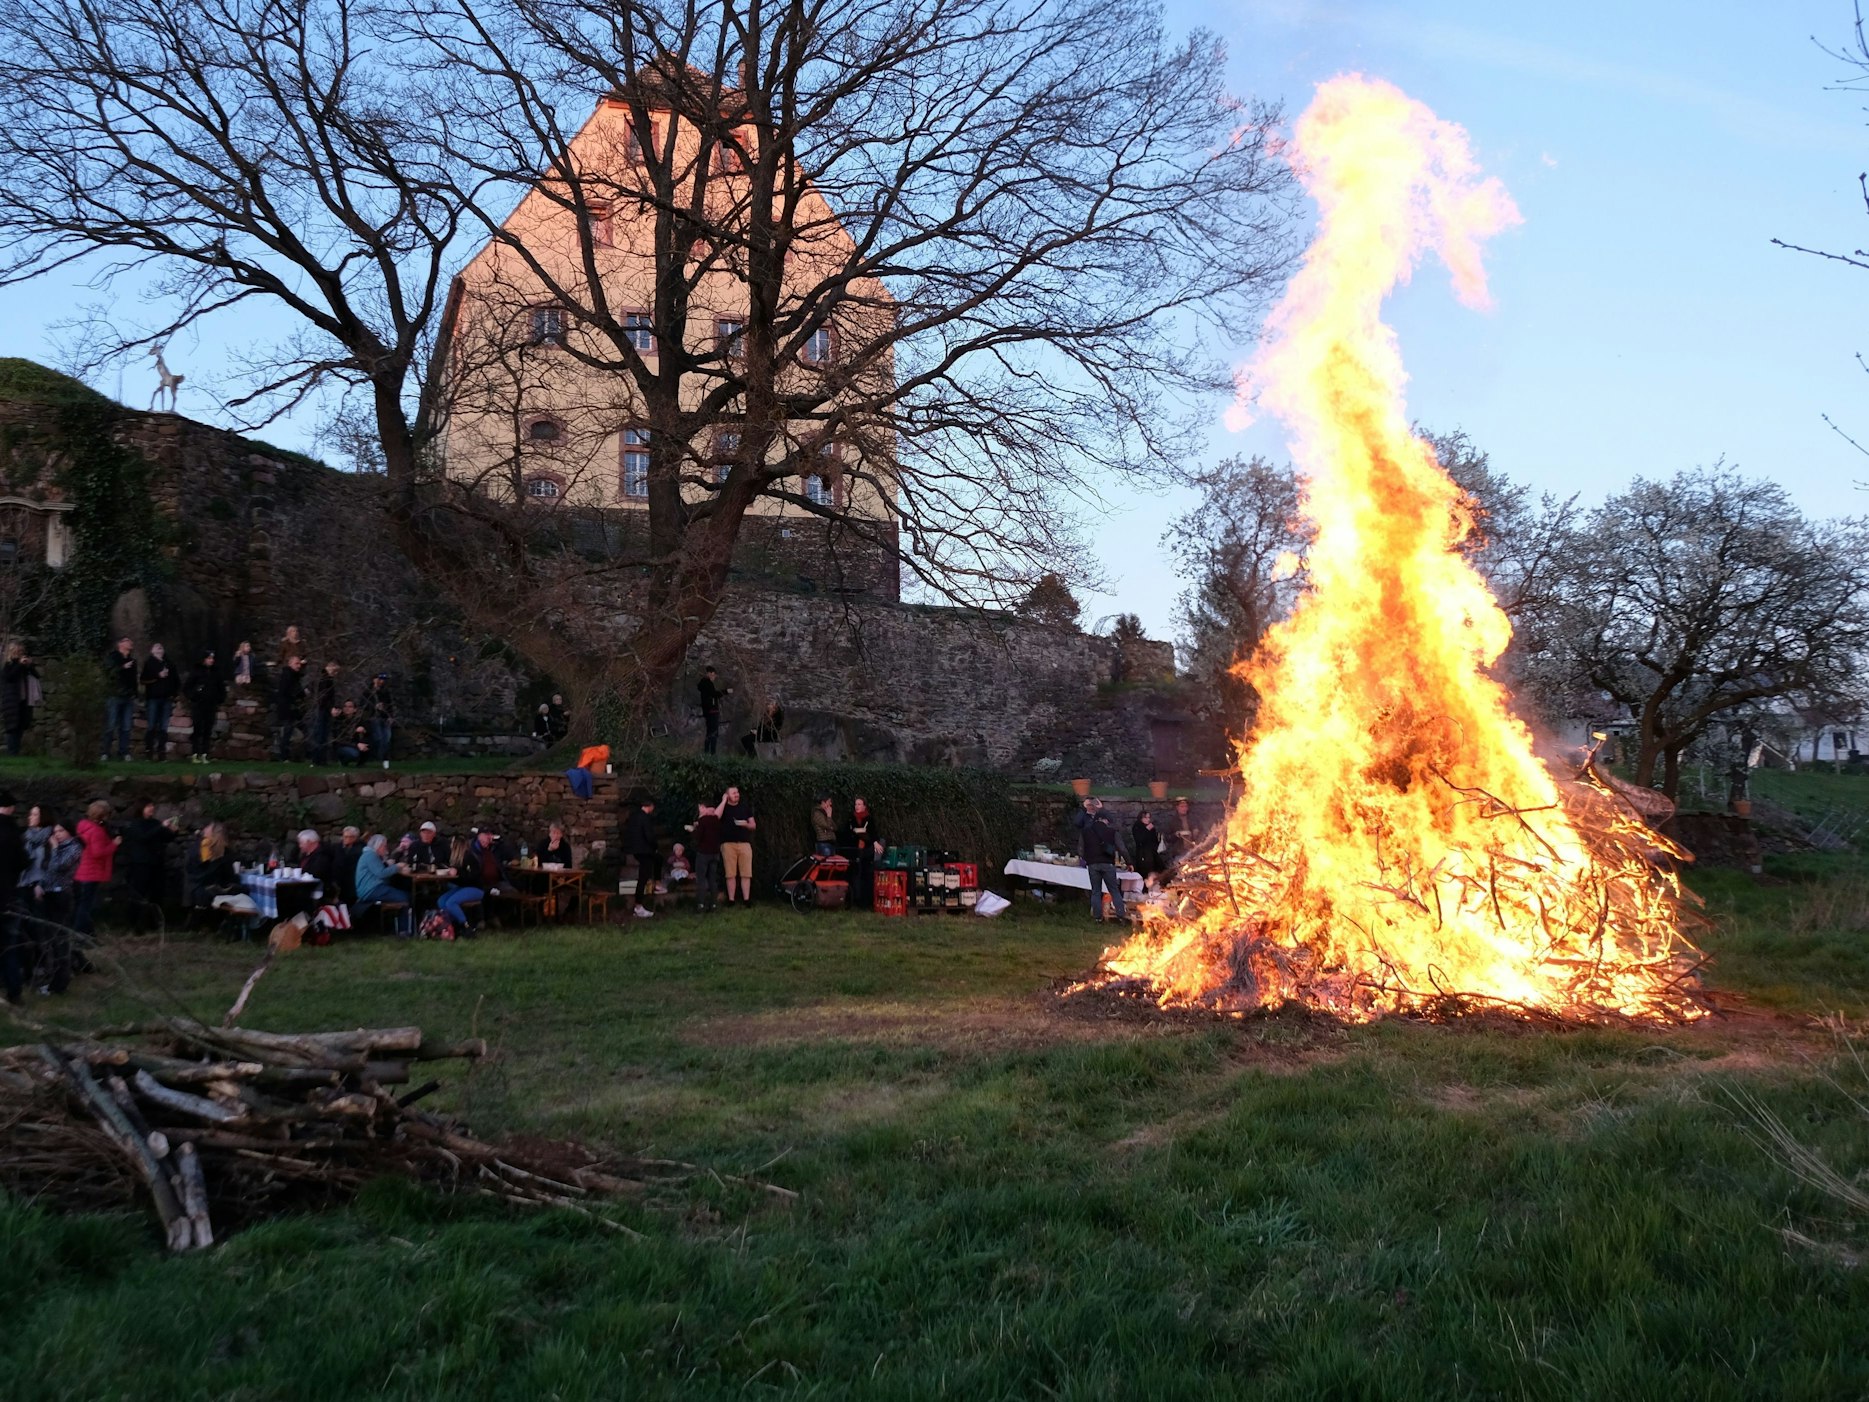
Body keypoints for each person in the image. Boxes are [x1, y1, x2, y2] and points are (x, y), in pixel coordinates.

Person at [30, 820, 82, 994]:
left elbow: (58, 867)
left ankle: (60, 983)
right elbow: (48, 872)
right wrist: (41, 885)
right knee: (52, 939)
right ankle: (55, 979)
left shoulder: (74, 848)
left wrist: (53, 849)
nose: (57, 834)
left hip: (62, 896)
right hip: (51, 894)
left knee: (60, 940)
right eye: (55, 831)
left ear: (69, 832)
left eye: (61, 831)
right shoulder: (60, 847)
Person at [120, 800, 180, 934]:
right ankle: (134, 923)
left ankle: (154, 923)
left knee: (157, 893)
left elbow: (165, 838)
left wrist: (173, 831)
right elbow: (143, 838)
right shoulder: (135, 824)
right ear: (141, 808)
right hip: (141, 864)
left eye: (152, 805)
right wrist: (161, 827)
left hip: (157, 863)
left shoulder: (155, 822)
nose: (151, 808)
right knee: (139, 893)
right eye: (148, 806)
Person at [1073, 797, 1126, 923]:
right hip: (1107, 862)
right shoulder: (1111, 831)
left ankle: (1097, 917)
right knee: (1114, 890)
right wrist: (1129, 862)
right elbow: (1122, 848)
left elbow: (1081, 848)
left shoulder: (1086, 831)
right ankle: (1121, 915)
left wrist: (1085, 858)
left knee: (1095, 891)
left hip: (1093, 863)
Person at [73, 799, 120, 941]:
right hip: (92, 872)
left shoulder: (83, 826)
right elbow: (98, 853)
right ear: (102, 815)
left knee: (83, 905)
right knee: (87, 906)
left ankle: (88, 934)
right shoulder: (97, 831)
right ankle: (81, 935)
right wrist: (114, 844)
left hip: (82, 870)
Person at [354, 834, 412, 932]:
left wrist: (388, 864)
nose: (385, 848)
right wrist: (398, 866)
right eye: (384, 846)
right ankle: (404, 930)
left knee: (402, 894)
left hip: (370, 889)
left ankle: (399, 927)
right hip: (372, 889)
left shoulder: (369, 855)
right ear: (378, 845)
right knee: (404, 897)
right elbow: (381, 873)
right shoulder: (370, 855)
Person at [0, 793, 26, 1004]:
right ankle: (14, 992)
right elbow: (23, 861)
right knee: (9, 946)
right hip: (9, 895)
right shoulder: (13, 832)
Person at [184, 821, 242, 911]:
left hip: (194, 891)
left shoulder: (196, 848)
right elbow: (228, 876)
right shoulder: (223, 852)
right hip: (206, 893)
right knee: (241, 889)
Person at [434, 836, 484, 936]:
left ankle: (466, 926)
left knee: (451, 902)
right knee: (441, 901)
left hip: (475, 888)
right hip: (463, 887)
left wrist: (458, 873)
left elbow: (472, 877)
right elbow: (459, 880)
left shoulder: (469, 857)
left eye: (452, 843)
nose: (450, 846)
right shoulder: (456, 860)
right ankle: (451, 924)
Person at [183, 649, 226, 763]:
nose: (211, 660)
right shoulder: (196, 671)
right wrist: (194, 696)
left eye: (212, 658)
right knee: (197, 729)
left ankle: (205, 754)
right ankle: (195, 754)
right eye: (209, 658)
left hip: (211, 705)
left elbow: (221, 688)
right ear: (204, 659)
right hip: (198, 705)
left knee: (208, 730)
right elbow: (187, 687)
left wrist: (219, 699)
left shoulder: (216, 672)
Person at [841, 797, 882, 911]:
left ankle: (865, 901)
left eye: (859, 804)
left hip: (866, 851)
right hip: (854, 850)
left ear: (864, 806)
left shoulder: (869, 819)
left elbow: (874, 834)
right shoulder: (851, 819)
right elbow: (845, 833)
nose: (857, 806)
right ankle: (853, 899)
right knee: (853, 874)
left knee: (866, 875)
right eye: (856, 804)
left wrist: (873, 841)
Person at [140, 643, 179, 760]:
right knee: (151, 725)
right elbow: (143, 679)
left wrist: (173, 694)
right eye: (156, 647)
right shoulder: (149, 663)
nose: (159, 648)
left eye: (161, 647)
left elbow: (176, 681)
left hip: (166, 699)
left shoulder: (169, 664)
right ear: (152, 651)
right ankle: (149, 750)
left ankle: (161, 752)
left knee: (163, 727)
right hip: (153, 698)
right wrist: (158, 676)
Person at [102, 636, 138, 761]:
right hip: (114, 695)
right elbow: (108, 672)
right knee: (111, 725)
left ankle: (123, 752)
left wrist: (135, 693)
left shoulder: (132, 661)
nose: (130, 642)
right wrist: (122, 667)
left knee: (126, 726)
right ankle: (105, 752)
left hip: (128, 697)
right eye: (127, 641)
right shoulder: (113, 657)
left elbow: (133, 679)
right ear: (120, 644)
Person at [719, 785, 756, 905]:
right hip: (728, 844)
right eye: (733, 793)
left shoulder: (744, 808)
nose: (736, 794)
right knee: (730, 874)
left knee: (746, 873)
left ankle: (747, 900)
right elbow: (716, 817)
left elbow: (753, 825)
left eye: (737, 792)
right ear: (727, 795)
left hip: (744, 844)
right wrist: (723, 801)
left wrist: (745, 825)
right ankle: (731, 900)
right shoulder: (724, 808)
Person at [2, 643, 40, 755]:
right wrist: (19, 665)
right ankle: (12, 753)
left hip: (23, 700)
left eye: (22, 652)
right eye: (18, 652)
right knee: (12, 727)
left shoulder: (24, 666)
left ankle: (16, 752)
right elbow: (10, 677)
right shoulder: (8, 666)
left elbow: (37, 676)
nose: (20, 654)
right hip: (12, 701)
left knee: (20, 726)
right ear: (12, 653)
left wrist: (30, 665)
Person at [687, 799, 724, 914]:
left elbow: (698, 837)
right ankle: (713, 904)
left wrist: (693, 830)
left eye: (700, 808)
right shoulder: (717, 820)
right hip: (715, 853)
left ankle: (701, 904)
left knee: (701, 879)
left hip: (703, 853)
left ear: (704, 807)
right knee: (713, 879)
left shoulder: (703, 820)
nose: (700, 810)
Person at [272, 655, 307, 761]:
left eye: (299, 663)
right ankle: (284, 755)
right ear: (290, 664)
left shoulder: (292, 675)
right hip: (288, 707)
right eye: (296, 663)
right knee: (287, 731)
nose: (299, 666)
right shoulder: (288, 675)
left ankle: (288, 755)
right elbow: (291, 691)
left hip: (290, 706)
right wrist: (302, 693)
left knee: (290, 731)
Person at [311, 660, 343, 766]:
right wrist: (331, 708)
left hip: (324, 709)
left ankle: (320, 759)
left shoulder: (326, 679)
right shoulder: (324, 680)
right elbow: (324, 697)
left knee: (322, 734)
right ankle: (318, 759)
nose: (336, 673)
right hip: (323, 709)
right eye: (335, 671)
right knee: (321, 734)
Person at [697, 667, 732, 755]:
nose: (715, 677)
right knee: (713, 732)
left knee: (710, 732)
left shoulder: (703, 684)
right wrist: (726, 691)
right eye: (713, 674)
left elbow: (712, 694)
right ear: (709, 674)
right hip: (712, 711)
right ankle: (712, 753)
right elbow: (714, 694)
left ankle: (706, 752)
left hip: (708, 711)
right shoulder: (708, 683)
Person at [367, 673, 395, 765]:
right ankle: (376, 757)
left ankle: (383, 759)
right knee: (378, 738)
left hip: (384, 718)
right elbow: (365, 705)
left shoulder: (385, 692)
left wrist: (391, 716)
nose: (381, 682)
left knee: (386, 739)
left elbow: (390, 705)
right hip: (374, 718)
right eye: (379, 679)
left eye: (383, 680)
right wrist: (374, 707)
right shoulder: (368, 692)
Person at [1131, 810, 1163, 888]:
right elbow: (1139, 839)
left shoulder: (1151, 828)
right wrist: (1146, 829)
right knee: (1145, 871)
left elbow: (1155, 840)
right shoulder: (1137, 827)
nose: (1148, 819)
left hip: (1152, 853)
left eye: (1149, 818)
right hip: (1143, 854)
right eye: (1145, 818)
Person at [334, 701, 373, 765]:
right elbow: (340, 740)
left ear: (355, 709)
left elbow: (369, 731)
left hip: (355, 744)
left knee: (368, 744)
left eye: (350, 707)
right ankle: (343, 761)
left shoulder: (358, 720)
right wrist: (357, 745)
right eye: (345, 706)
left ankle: (361, 763)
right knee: (354, 754)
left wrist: (364, 730)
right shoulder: (339, 721)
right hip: (343, 746)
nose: (347, 708)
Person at [333, 826, 365, 902]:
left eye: (350, 837)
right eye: (345, 836)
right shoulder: (337, 847)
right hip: (338, 879)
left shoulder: (361, 848)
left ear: (355, 838)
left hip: (352, 880)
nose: (346, 839)